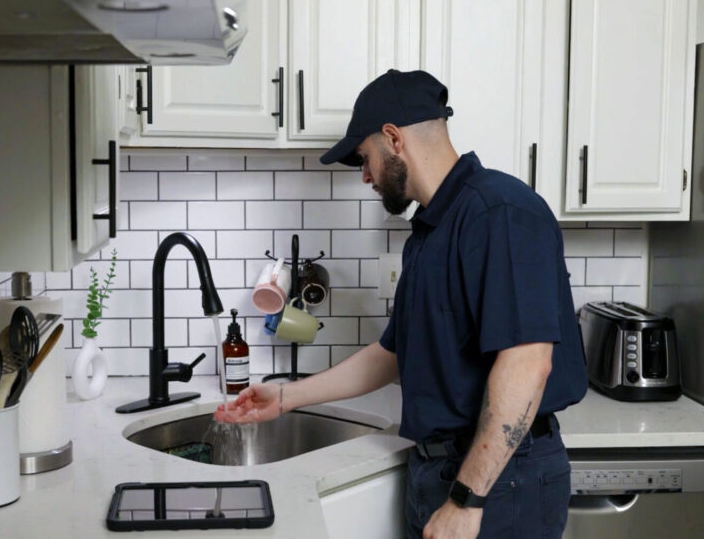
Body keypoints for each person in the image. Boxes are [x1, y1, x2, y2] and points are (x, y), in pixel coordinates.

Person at [215, 69, 587, 539]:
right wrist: (287, 396)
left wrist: (468, 500)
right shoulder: (429, 233)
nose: (366, 175)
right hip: (438, 473)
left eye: (364, 158)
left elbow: (527, 364)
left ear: (393, 138)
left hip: (499, 482)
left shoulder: (500, 212)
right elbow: (392, 354)